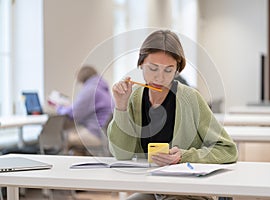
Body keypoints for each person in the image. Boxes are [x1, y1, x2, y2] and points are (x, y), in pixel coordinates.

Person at [107, 30, 238, 200]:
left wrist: (184, 156)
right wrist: (121, 106)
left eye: (168, 70)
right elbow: (122, 155)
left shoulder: (190, 98)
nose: (160, 77)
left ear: (177, 69)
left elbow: (227, 150)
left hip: (189, 192)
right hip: (153, 189)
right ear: (140, 64)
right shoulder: (133, 98)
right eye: (153, 68)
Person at [56, 65, 114, 155]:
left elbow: (75, 113)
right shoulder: (102, 87)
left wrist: (60, 108)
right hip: (105, 133)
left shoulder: (90, 89)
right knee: (76, 135)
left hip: (97, 134)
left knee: (66, 136)